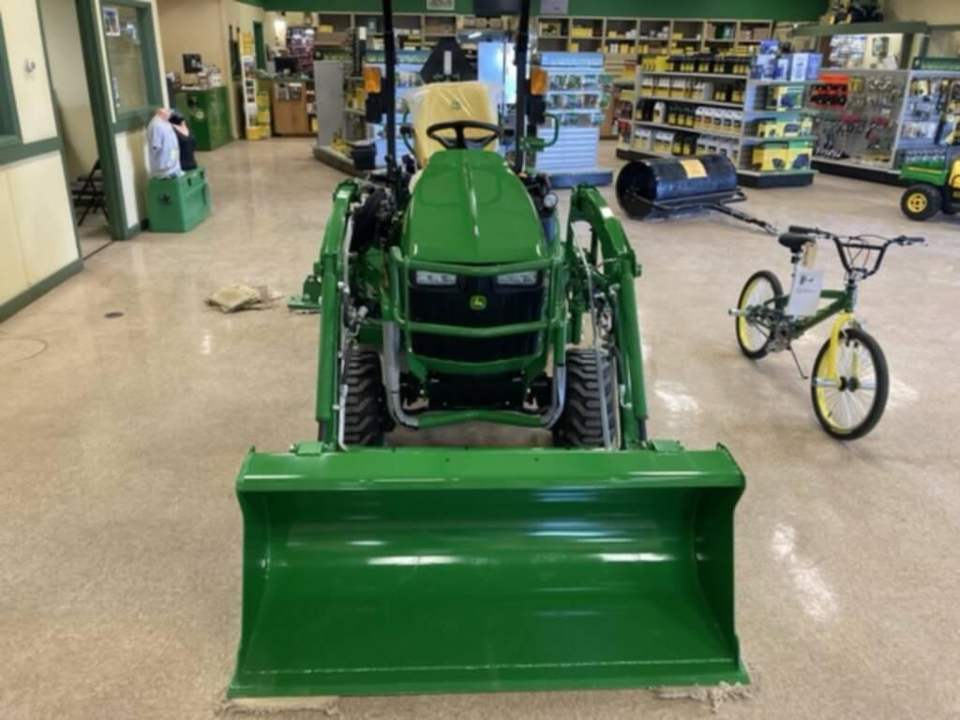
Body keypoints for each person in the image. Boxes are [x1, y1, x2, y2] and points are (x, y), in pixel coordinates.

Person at [147, 108, 183, 179]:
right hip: (164, 168)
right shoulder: (156, 125)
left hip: (173, 164)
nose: (170, 113)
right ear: (160, 113)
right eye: (167, 111)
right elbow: (156, 147)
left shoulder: (165, 122)